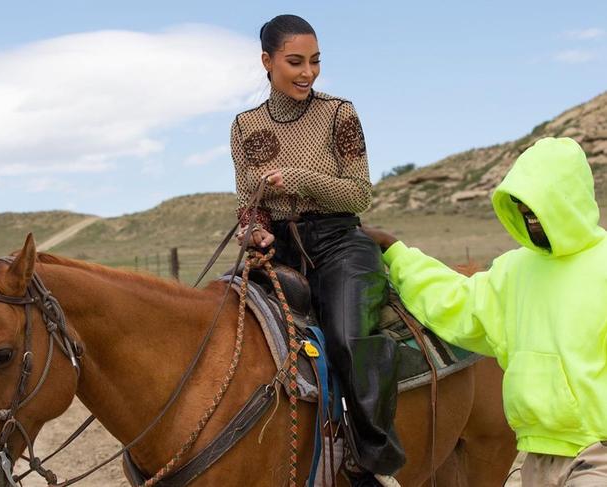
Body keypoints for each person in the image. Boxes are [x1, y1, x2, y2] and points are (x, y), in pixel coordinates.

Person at [364, 137, 607, 486]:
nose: (531, 219)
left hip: (596, 454)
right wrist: (397, 252)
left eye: (540, 208)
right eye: (523, 209)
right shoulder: (515, 270)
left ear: (568, 201)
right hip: (536, 455)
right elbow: (457, 302)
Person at [230, 14, 405, 485]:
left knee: (348, 337)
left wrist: (299, 178)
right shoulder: (245, 126)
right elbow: (249, 201)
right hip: (278, 251)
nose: (307, 72)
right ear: (267, 62)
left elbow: (358, 194)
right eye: (294, 62)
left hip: (338, 244)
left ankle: (374, 461)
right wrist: (254, 229)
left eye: (314, 61)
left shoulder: (338, 113)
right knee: (226, 321)